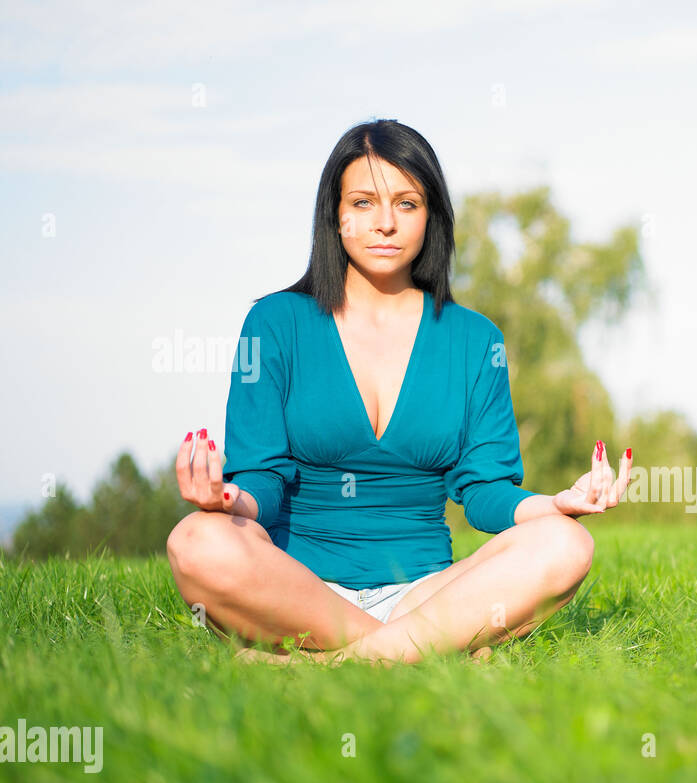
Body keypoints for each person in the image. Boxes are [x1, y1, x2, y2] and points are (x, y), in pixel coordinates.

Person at [166, 119, 631, 666]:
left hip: (427, 597)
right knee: (196, 540)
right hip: (297, 591)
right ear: (334, 214)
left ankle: (331, 665)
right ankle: (419, 653)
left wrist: (557, 505)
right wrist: (226, 500)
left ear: (431, 215)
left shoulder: (476, 340)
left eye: (407, 204)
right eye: (363, 202)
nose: (385, 223)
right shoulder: (274, 323)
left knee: (567, 544)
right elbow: (261, 479)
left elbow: (484, 492)